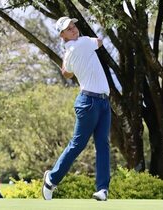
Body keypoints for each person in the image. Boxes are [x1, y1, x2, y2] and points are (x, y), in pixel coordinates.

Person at [42, 16, 111, 201]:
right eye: (68, 28)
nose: (73, 29)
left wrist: (67, 54)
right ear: (62, 34)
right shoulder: (82, 43)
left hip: (103, 101)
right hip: (89, 102)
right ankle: (51, 179)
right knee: (77, 145)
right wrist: (75, 47)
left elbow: (66, 72)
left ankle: (102, 189)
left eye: (73, 26)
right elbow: (99, 41)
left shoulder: (70, 49)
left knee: (102, 145)